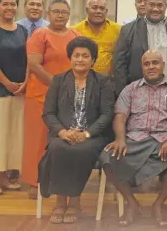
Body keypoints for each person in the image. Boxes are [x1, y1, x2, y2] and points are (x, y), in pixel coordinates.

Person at [100, 50, 167, 227]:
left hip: (163, 140)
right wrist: (120, 139)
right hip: (134, 139)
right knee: (106, 157)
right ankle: (132, 203)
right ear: (142, 67)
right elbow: (120, 116)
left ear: (163, 65)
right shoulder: (130, 89)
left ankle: (158, 204)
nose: (151, 67)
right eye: (147, 64)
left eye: (155, 63)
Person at [38, 37, 115, 224]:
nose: (80, 60)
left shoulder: (103, 82)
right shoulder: (58, 80)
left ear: (93, 60)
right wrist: (63, 132)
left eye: (85, 56)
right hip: (63, 133)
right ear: (70, 58)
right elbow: (48, 113)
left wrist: (86, 134)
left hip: (93, 136)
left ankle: (74, 200)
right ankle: (60, 201)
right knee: (58, 148)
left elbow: (107, 114)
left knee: (81, 149)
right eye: (76, 55)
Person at [22, 0, 80, 199]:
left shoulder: (75, 35)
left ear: (69, 14)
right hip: (40, 95)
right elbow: (34, 64)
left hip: (68, 97)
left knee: (60, 140)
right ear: (48, 13)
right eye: (56, 11)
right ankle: (34, 182)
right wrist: (57, 86)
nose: (60, 15)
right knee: (37, 140)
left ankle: (57, 181)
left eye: (64, 12)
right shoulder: (40, 35)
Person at [0, 0, 28, 195]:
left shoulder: (22, 30)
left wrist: (24, 82)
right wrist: (7, 83)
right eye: (5, 4)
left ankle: (3, 175)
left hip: (19, 91)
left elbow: (28, 59)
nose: (9, 8)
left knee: (12, 135)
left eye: (13, 4)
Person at [113, 0, 167, 95]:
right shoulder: (128, 30)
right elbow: (119, 63)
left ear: (166, 6)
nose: (155, 9)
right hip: (137, 93)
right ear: (146, 5)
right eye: (151, 5)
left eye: (160, 5)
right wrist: (123, 91)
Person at [72, 0, 121, 76]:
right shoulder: (75, 30)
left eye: (102, 8)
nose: (98, 11)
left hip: (109, 81)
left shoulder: (118, 30)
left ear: (106, 11)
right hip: (81, 79)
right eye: (94, 8)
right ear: (87, 10)